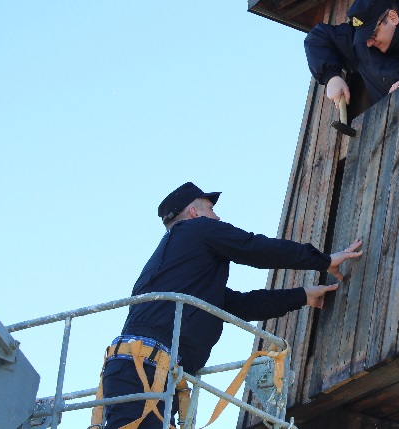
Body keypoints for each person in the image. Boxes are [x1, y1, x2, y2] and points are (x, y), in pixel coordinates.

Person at [99, 182, 363, 428]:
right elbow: (254, 248)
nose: (217, 217)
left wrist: (303, 296)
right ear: (194, 212)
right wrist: (322, 260)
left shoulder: (182, 274)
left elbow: (238, 305)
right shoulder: (199, 229)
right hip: (145, 369)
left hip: (142, 370)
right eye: (211, 210)